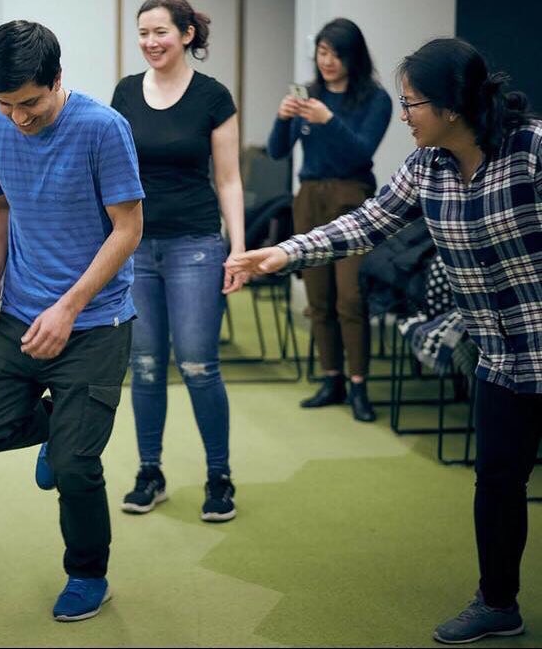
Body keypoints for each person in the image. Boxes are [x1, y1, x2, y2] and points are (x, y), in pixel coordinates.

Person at [228, 38, 540, 645]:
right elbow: (366, 222)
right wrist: (285, 252)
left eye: (412, 104)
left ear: (451, 107)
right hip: (500, 359)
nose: (404, 115)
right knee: (498, 482)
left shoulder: (529, 150)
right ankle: (498, 603)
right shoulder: (427, 166)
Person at [0, 20, 144, 622]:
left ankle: (88, 574)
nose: (19, 118)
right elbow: (0, 203)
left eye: (30, 103)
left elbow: (128, 229)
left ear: (58, 79)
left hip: (96, 322)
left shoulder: (103, 129)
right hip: (20, 312)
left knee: (74, 467)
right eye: (6, 104)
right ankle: (59, 425)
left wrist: (70, 305)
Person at [110, 0, 247, 521]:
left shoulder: (213, 97)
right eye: (143, 33)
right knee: (144, 365)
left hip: (195, 244)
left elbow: (229, 180)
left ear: (186, 34)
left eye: (160, 32)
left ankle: (219, 476)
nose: (150, 43)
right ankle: (151, 471)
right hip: (135, 247)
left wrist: (238, 250)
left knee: (196, 364)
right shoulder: (124, 93)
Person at [267, 18, 392, 422]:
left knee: (350, 297)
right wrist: (283, 118)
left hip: (352, 197)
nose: (328, 62)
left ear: (353, 57)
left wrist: (328, 121)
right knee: (318, 297)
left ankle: (358, 384)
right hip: (310, 198)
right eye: (322, 53)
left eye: (336, 54)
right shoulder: (308, 94)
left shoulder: (374, 99)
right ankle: (331, 378)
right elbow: (276, 151)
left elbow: (361, 152)